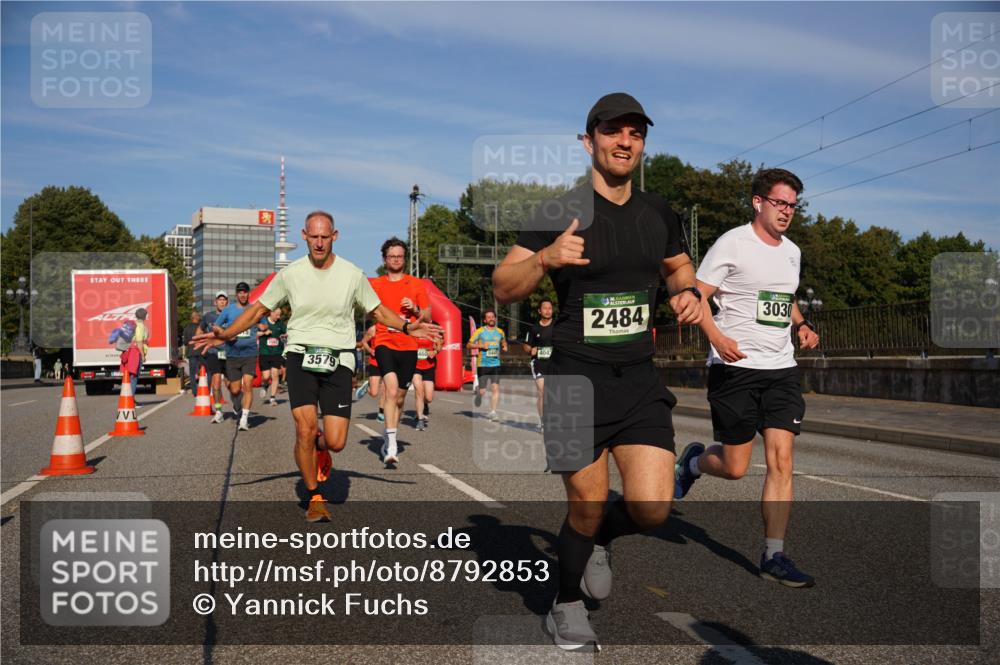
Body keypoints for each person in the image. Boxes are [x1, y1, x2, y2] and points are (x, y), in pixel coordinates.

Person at [493, 92, 703, 650]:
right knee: (584, 503)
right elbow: (502, 283)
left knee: (653, 509)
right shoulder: (557, 212)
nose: (625, 141)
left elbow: (680, 267)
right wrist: (544, 259)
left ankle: (600, 539)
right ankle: (563, 603)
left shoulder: (659, 212)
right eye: (613, 131)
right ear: (589, 141)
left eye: (635, 132)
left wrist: (687, 292)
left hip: (637, 379)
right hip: (572, 381)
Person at [194, 211, 440, 522]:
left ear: (334, 236)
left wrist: (406, 328)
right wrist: (226, 334)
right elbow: (258, 309)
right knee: (304, 430)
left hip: (339, 359)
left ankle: (320, 449)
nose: (320, 242)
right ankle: (315, 496)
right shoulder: (290, 274)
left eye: (326, 237)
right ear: (305, 236)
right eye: (314, 237)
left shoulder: (352, 274)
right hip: (300, 356)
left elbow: (377, 312)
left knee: (335, 441)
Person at [674, 167, 821, 588]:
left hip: (781, 370)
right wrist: (716, 337)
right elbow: (697, 295)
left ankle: (773, 554)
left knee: (781, 459)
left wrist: (801, 323)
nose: (787, 212)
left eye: (793, 205)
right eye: (780, 203)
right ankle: (696, 462)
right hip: (734, 369)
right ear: (758, 203)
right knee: (736, 467)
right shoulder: (732, 243)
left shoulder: (792, 251)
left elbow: (783, 296)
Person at [369, 238, 432, 466]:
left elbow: (428, 315)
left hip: (409, 345)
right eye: (392, 256)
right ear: (384, 259)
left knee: (401, 397)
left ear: (404, 259)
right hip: (385, 342)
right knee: (391, 389)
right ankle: (392, 445)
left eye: (399, 256)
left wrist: (414, 309)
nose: (396, 259)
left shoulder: (416, 284)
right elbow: (369, 312)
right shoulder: (375, 285)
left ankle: (388, 434)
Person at [213, 282, 259, 431]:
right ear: (236, 294)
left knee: (248, 385)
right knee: (234, 389)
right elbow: (216, 326)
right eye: (240, 292)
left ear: (248, 293)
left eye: (245, 292)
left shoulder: (253, 309)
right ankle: (237, 403)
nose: (243, 294)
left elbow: (264, 323)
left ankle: (244, 419)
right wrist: (225, 333)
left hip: (250, 353)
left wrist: (262, 325)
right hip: (232, 354)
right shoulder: (229, 310)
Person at [467, 309, 507, 422]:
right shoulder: (480, 331)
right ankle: (479, 394)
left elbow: (503, 341)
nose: (491, 319)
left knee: (495, 388)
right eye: (488, 317)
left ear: (495, 318)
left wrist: (504, 346)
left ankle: (493, 412)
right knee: (483, 391)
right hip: (483, 364)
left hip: (496, 364)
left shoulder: (500, 331)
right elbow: (469, 345)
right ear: (485, 320)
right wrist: (481, 345)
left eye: (492, 316)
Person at [523, 298, 555, 430]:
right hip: (538, 363)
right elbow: (525, 346)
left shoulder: (557, 325)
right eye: (545, 308)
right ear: (539, 311)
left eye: (550, 308)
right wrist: (531, 350)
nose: (548, 311)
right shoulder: (533, 328)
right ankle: (543, 422)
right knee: (543, 392)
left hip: (555, 363)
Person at [201, 292, 229, 423]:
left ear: (227, 302)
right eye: (220, 300)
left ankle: (237, 405)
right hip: (213, 353)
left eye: (224, 300)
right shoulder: (208, 316)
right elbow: (199, 332)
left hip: (229, 353)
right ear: (215, 302)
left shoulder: (231, 316)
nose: (222, 302)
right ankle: (218, 411)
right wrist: (201, 343)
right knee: (216, 382)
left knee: (232, 385)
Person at [257, 306, 286, 406]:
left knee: (275, 374)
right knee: (266, 376)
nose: (278, 317)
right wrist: (264, 333)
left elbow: (286, 332)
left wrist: (284, 335)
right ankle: (265, 385)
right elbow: (255, 333)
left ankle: (273, 398)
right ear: (271, 313)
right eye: (277, 314)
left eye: (279, 315)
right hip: (265, 352)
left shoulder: (280, 323)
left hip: (277, 352)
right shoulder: (264, 322)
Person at [412, 335, 442, 431]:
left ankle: (424, 404)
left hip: (429, 367)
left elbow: (439, 346)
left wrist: (435, 351)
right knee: (419, 391)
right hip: (414, 366)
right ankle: (420, 420)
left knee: (429, 398)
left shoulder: (431, 333)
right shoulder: (413, 332)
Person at [182, 311, 204, 395]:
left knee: (192, 373)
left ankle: (195, 391)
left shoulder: (187, 328)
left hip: (191, 353)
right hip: (202, 352)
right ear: (197, 318)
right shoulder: (201, 327)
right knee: (205, 371)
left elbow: (185, 342)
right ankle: (206, 388)